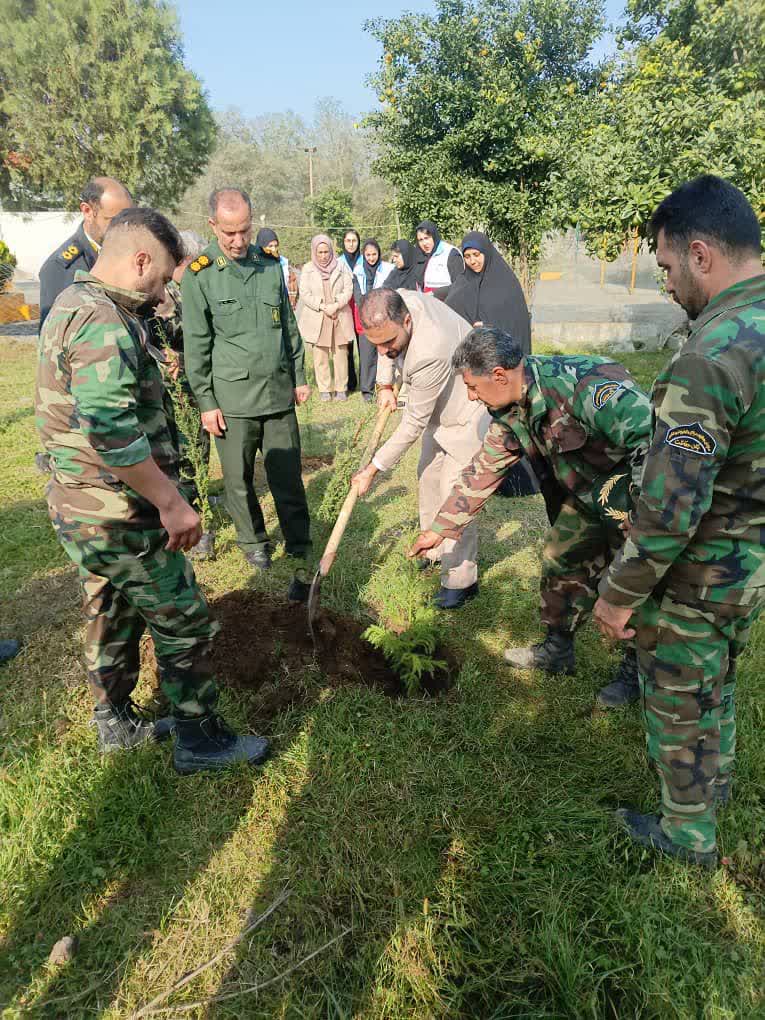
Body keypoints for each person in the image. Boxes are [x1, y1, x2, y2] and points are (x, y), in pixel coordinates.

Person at [35, 206, 269, 772]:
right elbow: (112, 430)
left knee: (111, 609)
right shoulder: (103, 322)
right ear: (140, 259)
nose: (166, 289)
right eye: (164, 277)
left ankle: (114, 722)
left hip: (80, 505)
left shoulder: (76, 302)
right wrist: (171, 502)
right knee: (183, 616)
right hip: (117, 510)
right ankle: (200, 739)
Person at [592, 175, 765, 869]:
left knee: (678, 701)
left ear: (700, 254)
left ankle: (686, 834)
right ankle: (712, 787)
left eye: (665, 266)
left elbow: (669, 507)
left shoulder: (710, 354)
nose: (664, 282)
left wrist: (616, 595)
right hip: (748, 561)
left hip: (701, 569)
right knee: (714, 681)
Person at [408, 326, 651, 698]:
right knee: (560, 555)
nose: (471, 397)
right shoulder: (509, 409)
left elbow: (652, 437)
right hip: (586, 496)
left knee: (637, 581)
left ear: (500, 376)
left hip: (631, 498)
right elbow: (484, 469)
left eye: (473, 387)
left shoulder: (582, 388)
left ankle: (637, 672)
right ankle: (557, 651)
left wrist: (645, 509)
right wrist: (440, 529)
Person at [182, 188, 312, 598]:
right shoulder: (200, 274)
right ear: (213, 227)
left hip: (276, 393)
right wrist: (206, 401)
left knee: (287, 475)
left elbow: (288, 325)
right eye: (229, 233)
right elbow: (197, 346)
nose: (238, 241)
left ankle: (299, 541)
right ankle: (254, 542)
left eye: (244, 231)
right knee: (237, 481)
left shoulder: (269, 265)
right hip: (232, 400)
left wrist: (299, 374)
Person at [353, 288, 489, 609]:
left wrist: (373, 469)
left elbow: (412, 423)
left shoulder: (431, 349)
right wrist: (385, 384)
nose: (385, 350)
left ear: (408, 321)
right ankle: (433, 549)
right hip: (438, 407)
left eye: (390, 343)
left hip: (466, 410)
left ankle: (460, 578)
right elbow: (385, 348)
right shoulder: (396, 301)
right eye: (378, 344)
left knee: (455, 492)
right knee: (427, 475)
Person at [446, 231, 537, 499]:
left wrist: (487, 330)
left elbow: (514, 326)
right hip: (480, 370)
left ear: (487, 253)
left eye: (477, 255)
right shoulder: (465, 282)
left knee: (514, 421)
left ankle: (522, 481)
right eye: (468, 256)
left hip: (505, 368)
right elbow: (453, 306)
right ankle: (493, 478)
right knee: (489, 426)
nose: (473, 261)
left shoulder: (504, 284)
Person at [150, 230, 215, 561]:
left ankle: (199, 508)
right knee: (182, 454)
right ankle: (191, 522)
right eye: (193, 260)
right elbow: (155, 334)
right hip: (175, 387)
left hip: (197, 382)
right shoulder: (159, 290)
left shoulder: (194, 286)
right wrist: (166, 355)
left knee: (198, 450)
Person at [38, 176, 133, 328]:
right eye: (114, 221)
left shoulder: (128, 252)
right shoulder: (60, 267)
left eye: (128, 220)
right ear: (87, 211)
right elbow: (53, 337)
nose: (123, 229)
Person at [298, 234, 355, 402]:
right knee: (320, 355)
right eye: (320, 252)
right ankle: (324, 389)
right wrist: (322, 306)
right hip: (319, 316)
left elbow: (348, 289)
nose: (323, 256)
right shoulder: (308, 268)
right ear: (314, 252)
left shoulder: (342, 267)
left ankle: (341, 388)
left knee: (340, 354)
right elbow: (305, 293)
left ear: (331, 251)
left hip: (339, 314)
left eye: (326, 252)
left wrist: (336, 305)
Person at [351, 238, 394, 402]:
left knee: (384, 354)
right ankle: (367, 391)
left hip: (383, 316)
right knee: (367, 354)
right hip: (366, 317)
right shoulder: (358, 271)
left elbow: (389, 291)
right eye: (368, 255)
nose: (371, 258)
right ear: (364, 255)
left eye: (374, 254)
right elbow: (357, 295)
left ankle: (384, 386)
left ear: (379, 253)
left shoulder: (388, 269)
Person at [337, 229, 362, 391]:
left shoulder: (364, 259)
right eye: (348, 241)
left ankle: (367, 379)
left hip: (360, 306)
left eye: (354, 241)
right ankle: (350, 382)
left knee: (364, 344)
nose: (351, 244)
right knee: (347, 344)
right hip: (345, 305)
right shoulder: (338, 262)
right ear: (343, 243)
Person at [414, 220, 464, 297]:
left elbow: (459, 285)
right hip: (426, 303)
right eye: (420, 240)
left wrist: (435, 294)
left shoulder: (450, 253)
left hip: (447, 304)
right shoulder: (420, 257)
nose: (424, 243)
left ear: (434, 236)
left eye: (427, 238)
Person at [256, 228, 299, 310]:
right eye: (270, 246)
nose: (273, 249)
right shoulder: (254, 263)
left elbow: (291, 284)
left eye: (275, 246)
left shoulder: (283, 262)